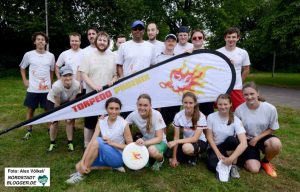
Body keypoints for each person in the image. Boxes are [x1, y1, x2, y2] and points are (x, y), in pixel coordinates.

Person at [65, 97, 133, 184]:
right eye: (111, 108)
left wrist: (112, 143)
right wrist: (82, 160)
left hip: (118, 156)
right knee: (78, 166)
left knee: (98, 141)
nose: (114, 111)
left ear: (120, 110)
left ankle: (80, 175)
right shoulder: (101, 121)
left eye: (117, 109)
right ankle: (111, 168)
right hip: (103, 154)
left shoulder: (124, 124)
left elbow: (131, 147)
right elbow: (91, 143)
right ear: (106, 109)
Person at [78, 31, 118, 148]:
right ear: (96, 41)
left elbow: (116, 74)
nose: (102, 42)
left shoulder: (112, 56)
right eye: (100, 40)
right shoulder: (88, 55)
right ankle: (87, 145)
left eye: (104, 40)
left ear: (108, 43)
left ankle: (101, 145)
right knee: (90, 120)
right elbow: (83, 73)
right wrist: (94, 86)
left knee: (105, 120)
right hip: (92, 93)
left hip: (107, 94)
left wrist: (113, 80)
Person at [235, 82, 282, 177]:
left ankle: (265, 162)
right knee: (254, 169)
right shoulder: (239, 110)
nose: (249, 97)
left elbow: (273, 128)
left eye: (252, 94)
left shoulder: (270, 109)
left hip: (263, 136)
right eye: (246, 94)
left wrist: (257, 138)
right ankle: (245, 157)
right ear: (243, 95)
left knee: (276, 144)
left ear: (258, 93)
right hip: (247, 139)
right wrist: (245, 143)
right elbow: (238, 130)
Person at [19, 31, 55, 140]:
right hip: (33, 88)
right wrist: (25, 80)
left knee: (48, 110)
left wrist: (50, 82)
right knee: (30, 109)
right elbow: (22, 67)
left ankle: (50, 129)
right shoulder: (28, 54)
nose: (40, 41)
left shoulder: (51, 56)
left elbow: (52, 70)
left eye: (42, 39)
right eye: (38, 39)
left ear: (45, 42)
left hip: (46, 89)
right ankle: (29, 130)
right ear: (35, 42)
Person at [206, 94, 247, 180]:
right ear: (217, 105)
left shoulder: (236, 120)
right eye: (220, 104)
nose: (223, 107)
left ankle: (233, 164)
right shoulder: (211, 117)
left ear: (230, 104)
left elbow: (244, 143)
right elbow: (209, 137)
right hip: (215, 147)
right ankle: (226, 165)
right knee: (211, 165)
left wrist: (230, 159)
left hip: (229, 148)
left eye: (225, 104)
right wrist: (218, 154)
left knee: (232, 140)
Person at [126, 94, 167, 171]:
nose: (142, 108)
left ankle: (160, 160)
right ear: (137, 105)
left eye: (145, 105)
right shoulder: (133, 114)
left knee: (151, 151)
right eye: (140, 105)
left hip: (160, 142)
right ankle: (147, 159)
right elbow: (124, 125)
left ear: (150, 105)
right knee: (135, 157)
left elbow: (159, 138)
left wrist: (144, 143)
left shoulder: (156, 114)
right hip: (145, 140)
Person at [167, 92, 208, 167]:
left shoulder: (201, 116)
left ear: (195, 103)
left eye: (191, 103)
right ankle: (187, 157)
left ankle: (195, 156)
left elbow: (195, 139)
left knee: (186, 148)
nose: (188, 105)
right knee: (169, 156)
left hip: (200, 141)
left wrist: (176, 142)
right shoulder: (178, 116)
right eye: (185, 102)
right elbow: (176, 137)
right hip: (185, 141)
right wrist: (174, 158)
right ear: (182, 103)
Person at [46, 65, 80, 152]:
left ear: (73, 75)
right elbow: (57, 102)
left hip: (67, 100)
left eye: (70, 75)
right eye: (65, 75)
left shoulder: (76, 85)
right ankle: (52, 143)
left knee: (69, 121)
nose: (68, 78)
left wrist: (69, 114)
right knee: (54, 123)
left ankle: (70, 142)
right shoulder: (57, 86)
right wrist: (56, 117)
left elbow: (72, 100)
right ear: (61, 77)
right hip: (53, 101)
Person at [217, 27, 251, 111]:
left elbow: (246, 69)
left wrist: (240, 81)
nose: (231, 39)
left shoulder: (243, 52)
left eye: (233, 37)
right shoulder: (218, 52)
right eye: (228, 37)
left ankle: (238, 124)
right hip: (222, 87)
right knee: (223, 109)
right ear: (225, 38)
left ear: (238, 38)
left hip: (236, 87)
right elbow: (214, 70)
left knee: (239, 110)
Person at [189, 29, 215, 117]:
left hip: (207, 90)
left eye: (200, 37)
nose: (197, 39)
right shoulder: (187, 55)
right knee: (193, 115)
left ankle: (208, 131)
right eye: (194, 37)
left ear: (203, 39)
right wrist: (185, 55)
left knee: (208, 116)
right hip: (193, 90)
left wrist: (228, 62)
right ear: (191, 40)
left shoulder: (211, 55)